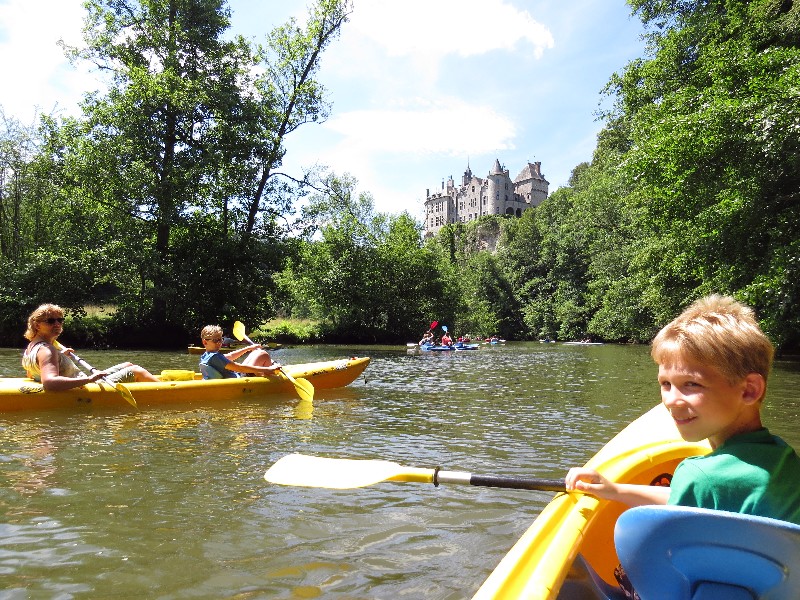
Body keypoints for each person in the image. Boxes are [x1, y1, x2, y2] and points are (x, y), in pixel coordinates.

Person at [565, 295, 800, 524]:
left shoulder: (697, 474)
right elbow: (700, 500)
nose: (671, 401)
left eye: (692, 384)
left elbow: (671, 542)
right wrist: (615, 490)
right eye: (666, 384)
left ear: (749, 390)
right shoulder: (783, 457)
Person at [22, 303, 159, 391]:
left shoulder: (32, 347)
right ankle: (164, 389)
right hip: (87, 386)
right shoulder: (47, 350)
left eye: (60, 320)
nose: (57, 324)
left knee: (128, 364)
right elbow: (49, 383)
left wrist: (61, 356)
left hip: (82, 381)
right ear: (37, 325)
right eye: (51, 321)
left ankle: (145, 388)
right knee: (135, 370)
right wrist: (90, 379)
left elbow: (33, 372)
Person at [198, 324, 281, 379]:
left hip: (238, 375)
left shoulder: (207, 356)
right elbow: (240, 368)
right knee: (263, 354)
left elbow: (229, 356)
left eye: (220, 339)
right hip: (242, 378)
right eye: (215, 340)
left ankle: (265, 373)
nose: (219, 342)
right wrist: (269, 369)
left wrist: (249, 348)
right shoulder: (215, 357)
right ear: (205, 342)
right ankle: (271, 376)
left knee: (255, 352)